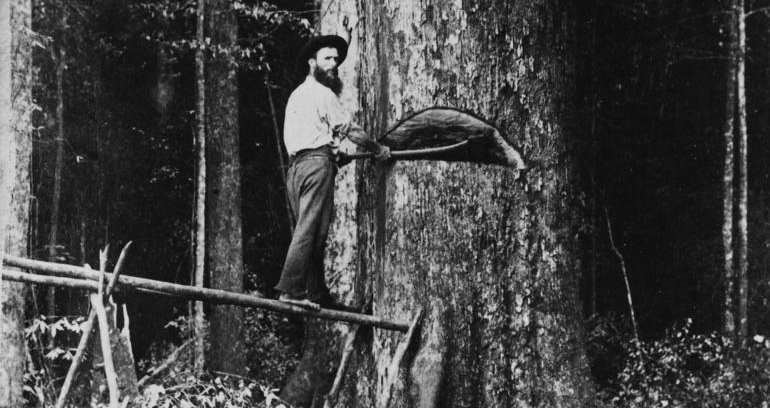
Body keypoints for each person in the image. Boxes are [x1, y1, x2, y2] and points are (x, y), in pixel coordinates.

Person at [275, 35, 390, 310]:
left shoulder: (297, 96)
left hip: (298, 169)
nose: (333, 64)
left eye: (336, 60)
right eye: (327, 58)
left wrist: (335, 156)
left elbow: (308, 139)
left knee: (315, 231)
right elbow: (350, 130)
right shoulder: (322, 94)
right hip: (315, 166)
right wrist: (377, 149)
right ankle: (291, 289)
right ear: (311, 62)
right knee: (309, 228)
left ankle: (317, 293)